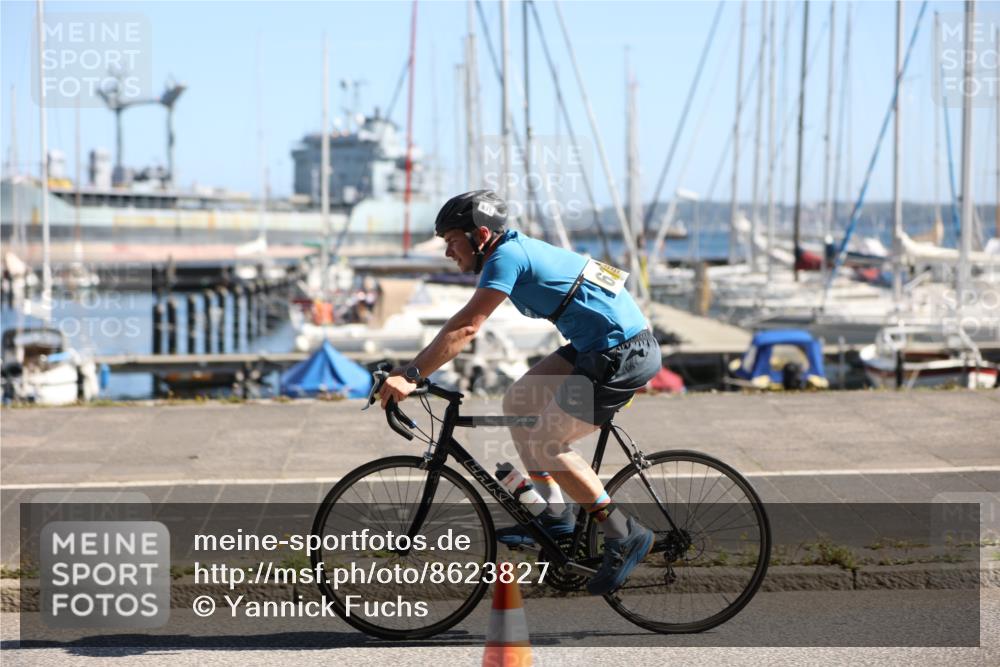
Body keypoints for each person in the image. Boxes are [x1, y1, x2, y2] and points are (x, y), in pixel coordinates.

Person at [379, 190, 662, 595]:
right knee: (518, 402)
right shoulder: (510, 251)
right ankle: (557, 514)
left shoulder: (506, 257)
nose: (447, 253)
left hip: (622, 351)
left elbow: (466, 328)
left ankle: (624, 533)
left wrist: (411, 373)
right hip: (595, 346)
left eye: (451, 242)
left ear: (479, 235)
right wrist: (410, 370)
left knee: (549, 442)